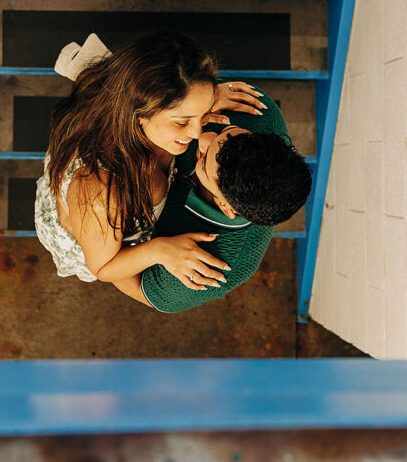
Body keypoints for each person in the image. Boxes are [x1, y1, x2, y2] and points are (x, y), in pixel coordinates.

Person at [34, 30, 265, 292]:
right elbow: (103, 267)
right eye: (182, 121)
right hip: (91, 232)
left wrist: (200, 100)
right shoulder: (98, 189)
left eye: (203, 113)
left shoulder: (148, 120)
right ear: (138, 114)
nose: (198, 133)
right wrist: (159, 250)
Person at [113, 86, 313, 312]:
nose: (203, 136)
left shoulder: (218, 266)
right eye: (226, 132)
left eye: (204, 159)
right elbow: (168, 82)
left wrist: (154, 250)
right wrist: (202, 97)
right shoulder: (258, 115)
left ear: (225, 207)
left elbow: (139, 288)